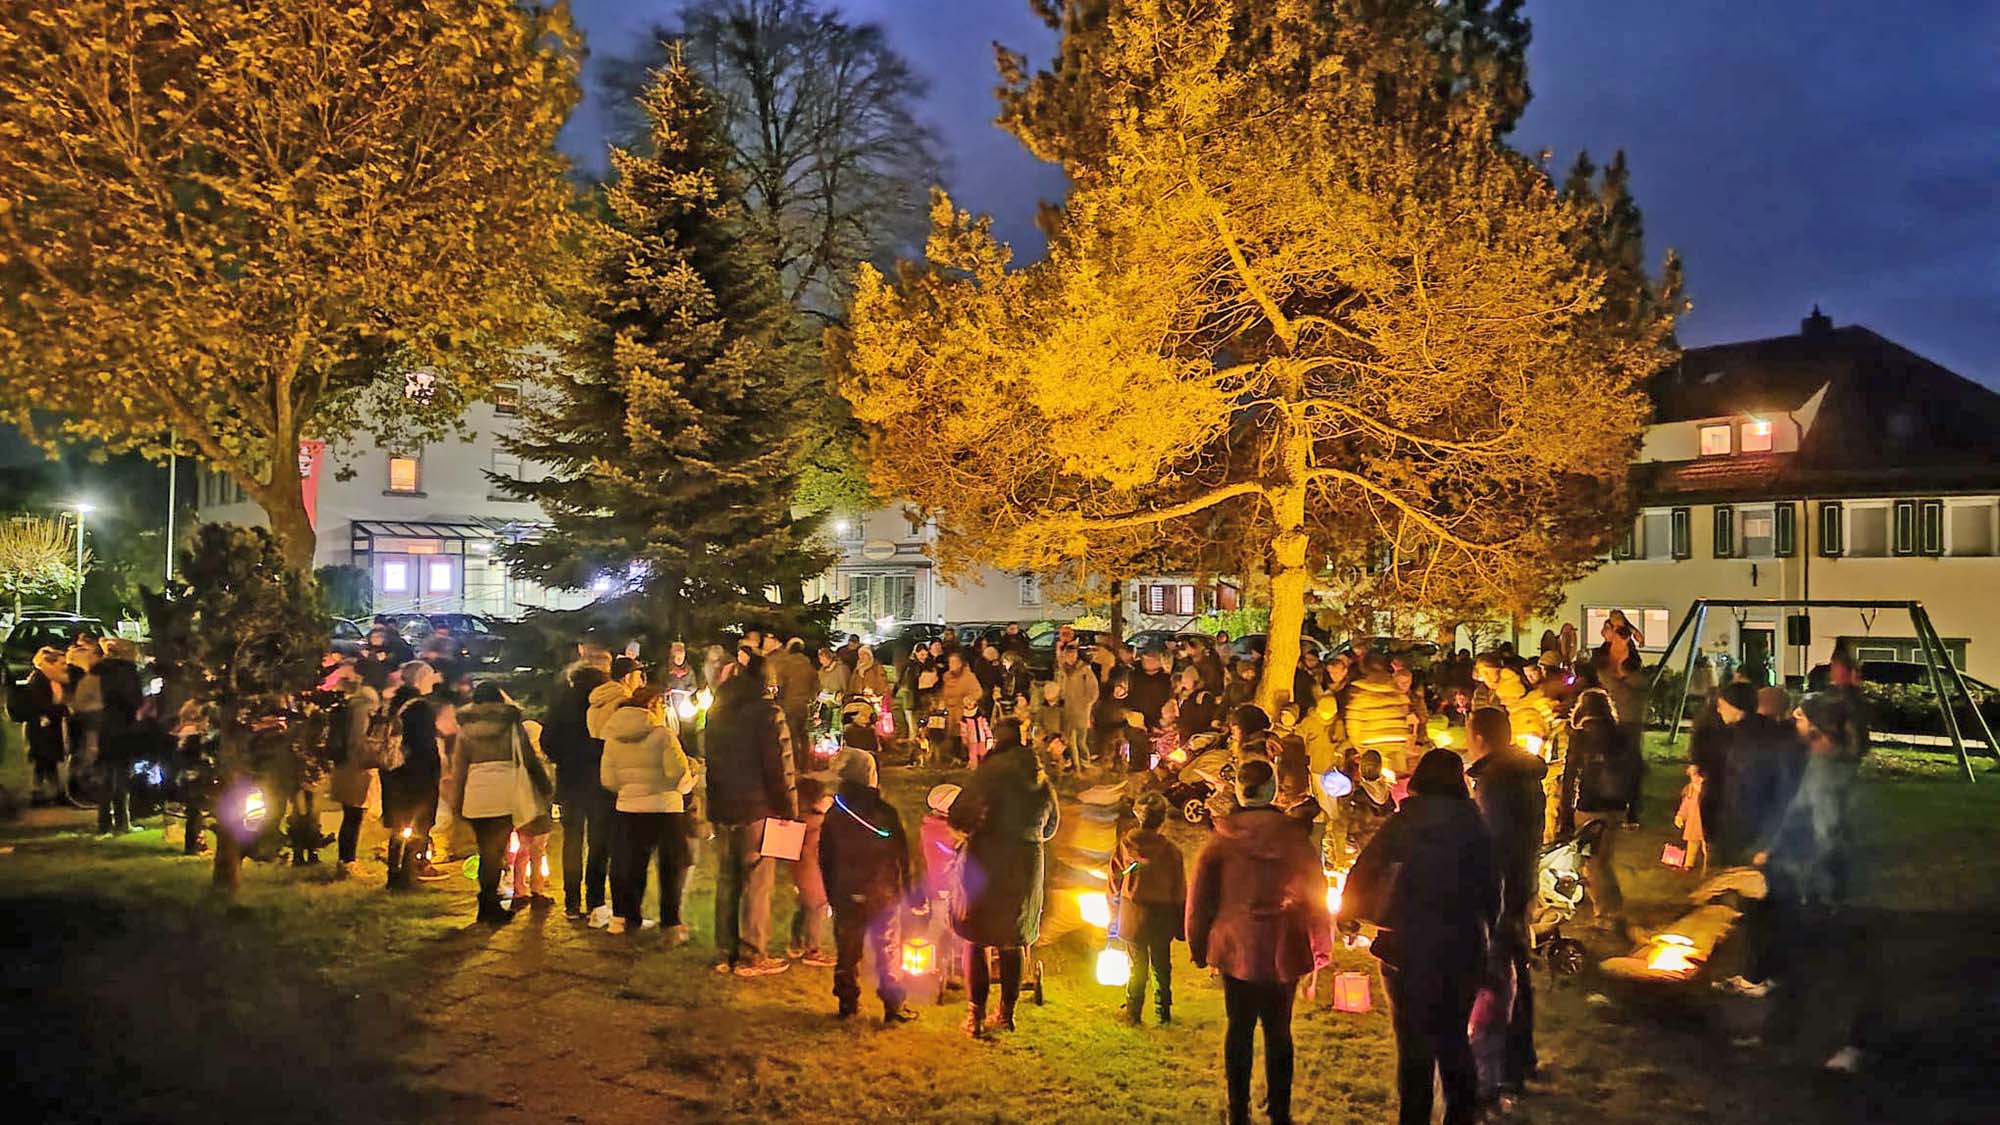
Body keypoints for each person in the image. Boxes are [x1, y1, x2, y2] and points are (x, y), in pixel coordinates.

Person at [1343, 749, 1499, 1125]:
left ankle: (1413, 1117)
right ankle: (1460, 1115)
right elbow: (1492, 891)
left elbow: (1365, 870)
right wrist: (1487, 934)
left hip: (1405, 948)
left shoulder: (1403, 822)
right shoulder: (1476, 826)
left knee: (1413, 1048)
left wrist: (1349, 915)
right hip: (1461, 948)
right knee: (1453, 1040)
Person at [1186, 758, 1330, 1125]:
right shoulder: (1295, 839)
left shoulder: (1221, 840)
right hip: (1285, 946)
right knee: (1279, 1031)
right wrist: (1321, 944)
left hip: (1235, 948)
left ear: (1240, 791)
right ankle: (1279, 1112)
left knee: (1239, 1028)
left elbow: (1200, 897)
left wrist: (1197, 945)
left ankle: (1239, 1112)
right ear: (1273, 790)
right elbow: (1316, 892)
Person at [948, 717, 1059, 1037]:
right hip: (1025, 865)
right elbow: (1050, 827)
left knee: (977, 937)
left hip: (987, 861)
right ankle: (1006, 1014)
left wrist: (970, 832)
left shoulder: (989, 773)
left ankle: (975, 1016)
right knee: (1013, 941)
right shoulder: (1040, 778)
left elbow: (960, 814)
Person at [1462, 707, 1546, 1108]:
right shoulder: (1523, 775)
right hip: (1520, 882)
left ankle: (1500, 1074)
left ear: (1479, 737)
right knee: (1518, 971)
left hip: (1503, 890)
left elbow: (1492, 843)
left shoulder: (1496, 782)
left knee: (1498, 979)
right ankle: (1522, 1058)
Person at [705, 657, 798, 976]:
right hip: (757, 810)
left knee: (727, 879)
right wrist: (787, 808)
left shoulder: (717, 710)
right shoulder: (767, 712)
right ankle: (752, 954)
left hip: (724, 808)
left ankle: (724, 951)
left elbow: (711, 763)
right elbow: (779, 765)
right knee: (757, 883)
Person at [819, 748, 920, 1024]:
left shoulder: (835, 814)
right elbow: (903, 856)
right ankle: (893, 1005)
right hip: (882, 892)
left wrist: (832, 893)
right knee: (888, 947)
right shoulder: (885, 813)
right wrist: (908, 892)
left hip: (846, 893)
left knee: (847, 949)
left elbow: (825, 857)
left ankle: (847, 1003)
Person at [600, 684, 697, 940]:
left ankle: (626, 917)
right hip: (665, 808)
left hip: (629, 808)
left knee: (630, 865)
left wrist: (630, 788)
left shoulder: (612, 737)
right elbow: (677, 772)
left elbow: (608, 779)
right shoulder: (662, 735)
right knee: (670, 867)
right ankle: (671, 922)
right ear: (653, 705)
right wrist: (689, 778)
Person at [450, 683, 552, 925]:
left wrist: (457, 801)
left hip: (475, 794)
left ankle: (486, 903)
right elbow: (528, 759)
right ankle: (489, 905)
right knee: (495, 852)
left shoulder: (465, 730)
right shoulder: (511, 727)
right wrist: (544, 786)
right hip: (504, 793)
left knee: (486, 850)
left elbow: (459, 768)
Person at [547, 651, 616, 923]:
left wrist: (562, 759)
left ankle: (572, 902)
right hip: (599, 779)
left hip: (570, 780)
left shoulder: (563, 699)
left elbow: (548, 739)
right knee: (599, 842)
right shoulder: (607, 700)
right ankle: (596, 900)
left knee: (572, 841)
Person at [1560, 688, 1636, 930]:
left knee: (1594, 862)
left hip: (1590, 805)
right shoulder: (1622, 735)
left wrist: (1565, 814)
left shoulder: (1580, 737)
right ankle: (1612, 907)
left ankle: (1607, 914)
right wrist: (1633, 810)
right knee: (1601, 859)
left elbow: (1570, 776)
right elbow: (1636, 773)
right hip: (1616, 806)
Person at [1114, 793, 1187, 1025]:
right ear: (1162, 819)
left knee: (1137, 966)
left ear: (1138, 815)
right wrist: (1180, 919)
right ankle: (1163, 1012)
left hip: (1133, 913)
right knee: (1162, 965)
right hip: (1162, 914)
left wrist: (1113, 910)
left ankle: (1133, 1012)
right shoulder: (1171, 852)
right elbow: (1179, 889)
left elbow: (1114, 880)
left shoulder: (1125, 848)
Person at [382, 661, 454, 889]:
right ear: (420, 678)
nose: (434, 680)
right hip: (417, 775)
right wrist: (436, 769)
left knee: (399, 825)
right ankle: (410, 872)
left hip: (396, 772)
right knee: (419, 824)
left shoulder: (396, 703)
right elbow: (424, 745)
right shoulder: (420, 708)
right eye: (430, 676)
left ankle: (395, 872)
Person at [326, 663, 382, 876]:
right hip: (356, 765)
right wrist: (366, 757)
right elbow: (358, 737)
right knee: (353, 815)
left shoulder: (356, 701)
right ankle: (347, 862)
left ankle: (347, 860)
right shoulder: (364, 704)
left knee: (352, 814)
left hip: (348, 764)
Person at [90, 638, 146, 835]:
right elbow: (134, 699)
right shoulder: (127, 672)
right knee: (122, 775)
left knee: (106, 776)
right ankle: (123, 822)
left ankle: (103, 822)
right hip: (123, 727)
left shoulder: (99, 670)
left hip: (103, 726)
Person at [787, 775, 834, 964]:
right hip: (812, 870)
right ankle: (812, 950)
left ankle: (796, 943)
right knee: (819, 906)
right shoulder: (816, 824)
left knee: (805, 905)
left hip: (800, 870)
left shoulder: (800, 818)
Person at [1343, 652, 1414, 773]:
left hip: (1371, 749)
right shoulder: (1398, 695)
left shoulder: (1360, 698)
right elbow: (1406, 720)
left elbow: (1353, 728)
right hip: (1396, 745)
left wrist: (1360, 748)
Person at [17, 647, 71, 806]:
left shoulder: (51, 679)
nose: (65, 666)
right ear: (50, 664)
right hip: (40, 729)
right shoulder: (39, 680)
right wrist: (61, 709)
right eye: (61, 663)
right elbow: (43, 704)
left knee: (48, 762)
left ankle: (49, 793)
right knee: (44, 761)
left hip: (49, 728)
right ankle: (42, 794)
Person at [1057, 643, 1099, 767]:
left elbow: (1093, 691)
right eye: (1068, 655)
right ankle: (1072, 762)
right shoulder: (1062, 670)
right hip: (1066, 710)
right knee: (1068, 738)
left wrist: (1085, 704)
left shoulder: (1085, 670)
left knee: (1081, 740)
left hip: (1081, 711)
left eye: (1072, 655)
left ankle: (1085, 762)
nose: (1070, 658)